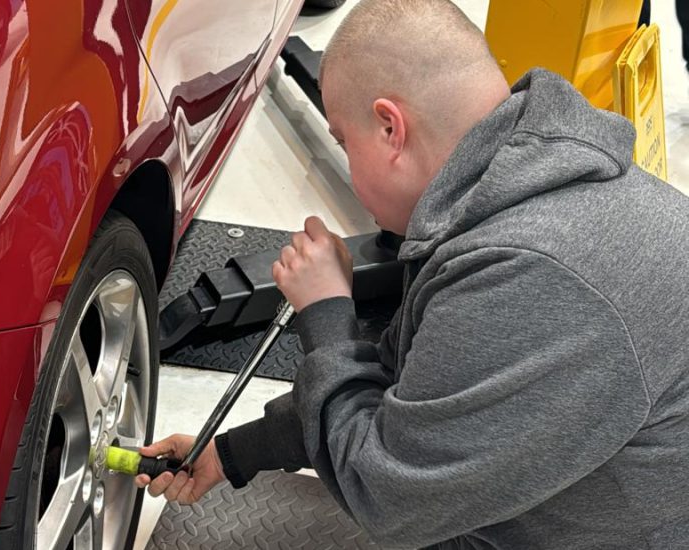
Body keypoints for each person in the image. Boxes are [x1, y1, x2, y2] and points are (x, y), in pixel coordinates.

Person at [137, 0, 689, 547]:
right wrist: (233, 452)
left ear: (389, 128)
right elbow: (418, 385)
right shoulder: (519, 192)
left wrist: (326, 313)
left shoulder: (535, 277)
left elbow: (386, 501)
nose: (349, 170)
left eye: (343, 142)